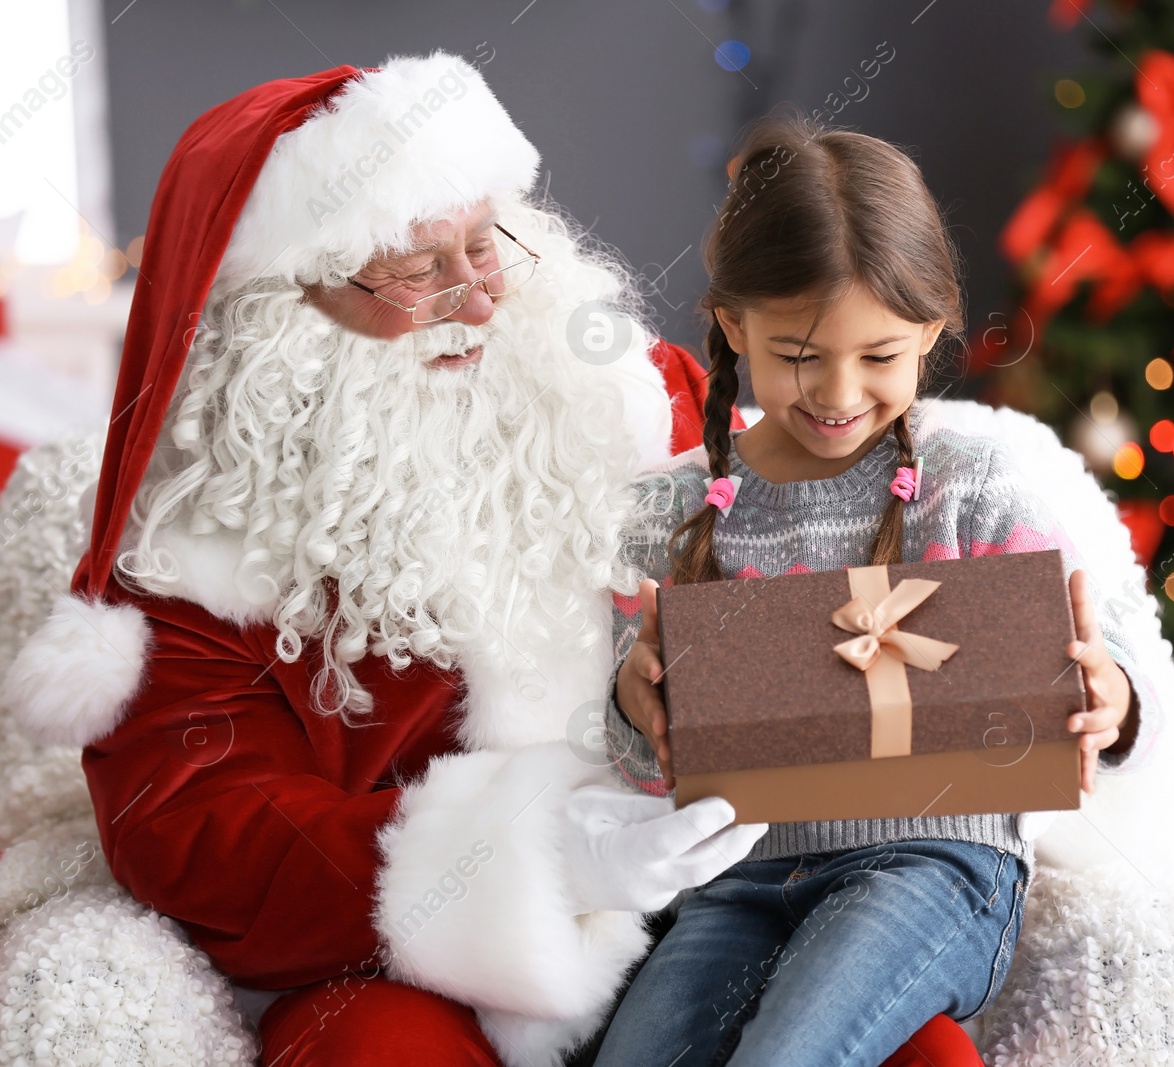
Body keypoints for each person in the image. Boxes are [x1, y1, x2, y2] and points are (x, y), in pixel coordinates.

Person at [2, 54, 779, 1066]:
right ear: (285, 308)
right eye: (419, 269)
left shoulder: (628, 401)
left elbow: (832, 536)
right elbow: (204, 828)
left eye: (484, 243)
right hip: (397, 966)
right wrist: (539, 852)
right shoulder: (194, 552)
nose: (478, 297)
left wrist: (1007, 655)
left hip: (703, 902)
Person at [593, 117, 1164, 1067]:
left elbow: (1100, 650)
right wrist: (631, 700)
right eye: (799, 356)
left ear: (931, 335)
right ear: (734, 327)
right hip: (740, 877)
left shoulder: (973, 483)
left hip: (937, 866)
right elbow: (642, 762)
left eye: (879, 356)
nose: (838, 392)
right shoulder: (674, 510)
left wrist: (1114, 694)